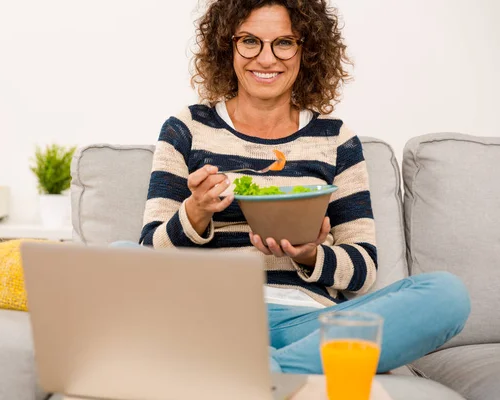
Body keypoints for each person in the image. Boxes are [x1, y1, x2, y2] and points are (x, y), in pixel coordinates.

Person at [135, 0, 470, 374]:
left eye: (284, 42)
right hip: (214, 311)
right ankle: (289, 367)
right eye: (249, 41)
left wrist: (311, 255)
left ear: (306, 50)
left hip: (309, 322)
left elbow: (363, 268)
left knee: (446, 295)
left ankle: (259, 369)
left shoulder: (336, 139)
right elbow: (148, 252)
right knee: (120, 262)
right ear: (226, 46)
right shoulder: (187, 129)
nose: (266, 59)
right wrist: (195, 213)